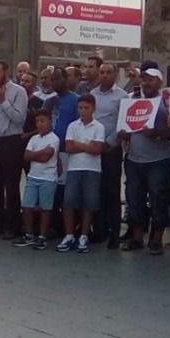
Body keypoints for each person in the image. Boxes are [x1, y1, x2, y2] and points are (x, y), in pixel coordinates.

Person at [120, 68, 170, 254]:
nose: (146, 83)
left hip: (158, 160)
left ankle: (157, 240)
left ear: (159, 82)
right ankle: (136, 238)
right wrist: (123, 132)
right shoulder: (131, 101)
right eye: (144, 80)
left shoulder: (167, 102)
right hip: (134, 159)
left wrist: (157, 133)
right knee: (134, 200)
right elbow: (124, 129)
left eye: (151, 80)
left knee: (159, 199)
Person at [0, 60, 27, 239]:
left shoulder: (19, 91)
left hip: (11, 142)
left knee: (11, 185)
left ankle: (13, 225)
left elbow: (19, 118)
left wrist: (2, 99)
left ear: (6, 72)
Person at [57, 94, 105, 253]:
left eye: (86, 108)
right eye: (80, 108)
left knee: (88, 203)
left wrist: (79, 144)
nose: (83, 111)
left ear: (93, 108)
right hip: (74, 168)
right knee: (69, 201)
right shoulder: (72, 126)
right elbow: (69, 147)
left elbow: (97, 149)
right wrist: (86, 146)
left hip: (92, 169)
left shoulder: (99, 127)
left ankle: (84, 235)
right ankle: (69, 234)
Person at [91, 63, 128, 248]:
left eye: (108, 73)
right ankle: (99, 230)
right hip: (93, 150)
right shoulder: (92, 95)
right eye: (102, 72)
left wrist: (109, 142)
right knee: (96, 191)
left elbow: (123, 124)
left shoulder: (122, 96)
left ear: (115, 75)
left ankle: (114, 234)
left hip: (112, 150)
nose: (104, 75)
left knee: (112, 192)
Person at [14, 109, 59, 250]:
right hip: (33, 177)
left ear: (49, 121)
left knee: (45, 208)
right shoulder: (34, 139)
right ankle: (29, 234)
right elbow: (27, 156)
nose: (40, 124)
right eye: (37, 122)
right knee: (27, 205)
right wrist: (40, 152)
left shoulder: (54, 139)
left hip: (48, 178)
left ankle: (42, 237)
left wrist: (35, 154)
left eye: (43, 121)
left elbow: (47, 158)